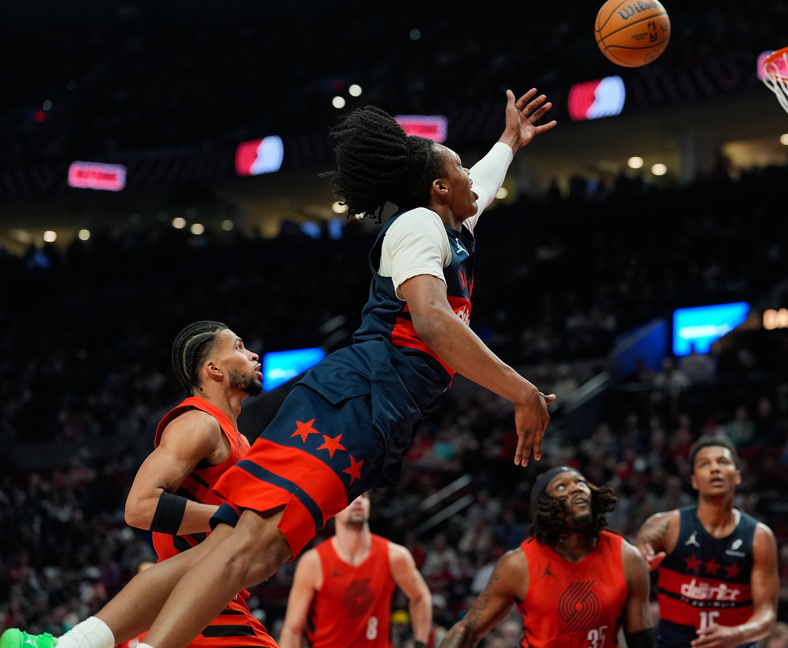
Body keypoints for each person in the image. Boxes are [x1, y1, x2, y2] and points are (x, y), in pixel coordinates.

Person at [0, 87, 557, 648]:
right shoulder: (420, 226)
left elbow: (479, 184)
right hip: (356, 403)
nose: (470, 177)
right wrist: (521, 392)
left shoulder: (453, 226)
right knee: (249, 552)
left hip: (367, 408)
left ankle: (74, 646)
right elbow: (434, 322)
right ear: (439, 187)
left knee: (231, 546)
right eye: (457, 167)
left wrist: (510, 140)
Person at [124, 321, 276, 648]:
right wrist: (232, 520)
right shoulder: (198, 423)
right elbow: (139, 507)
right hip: (198, 601)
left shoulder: (242, 442)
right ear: (213, 369)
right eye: (238, 347)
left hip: (215, 596)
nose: (253, 355)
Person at [438, 466, 654, 648]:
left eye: (580, 482)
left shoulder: (627, 556)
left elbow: (641, 640)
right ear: (545, 507)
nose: (576, 488)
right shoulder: (518, 564)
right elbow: (467, 629)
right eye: (562, 486)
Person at [634, 436, 779, 648]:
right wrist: (640, 568)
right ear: (694, 480)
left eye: (722, 462)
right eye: (704, 464)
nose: (714, 469)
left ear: (737, 476)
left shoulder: (760, 537)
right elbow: (629, 581)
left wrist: (736, 634)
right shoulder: (663, 527)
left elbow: (767, 615)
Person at [279, 493, 431, 648]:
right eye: (352, 496)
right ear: (334, 508)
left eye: (364, 496)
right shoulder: (313, 562)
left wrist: (420, 643)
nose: (358, 500)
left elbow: (421, 596)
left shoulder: (394, 556)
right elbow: (292, 630)